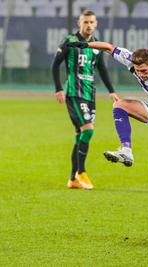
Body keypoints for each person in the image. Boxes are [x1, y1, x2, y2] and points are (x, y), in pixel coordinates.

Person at [52, 10, 119, 190]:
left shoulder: (96, 45)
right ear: (79, 24)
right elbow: (55, 64)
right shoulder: (70, 42)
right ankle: (81, 172)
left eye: (91, 22)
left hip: (90, 94)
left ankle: (72, 179)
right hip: (74, 92)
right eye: (85, 22)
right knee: (88, 130)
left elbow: (102, 69)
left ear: (96, 24)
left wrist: (111, 91)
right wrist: (59, 88)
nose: (88, 25)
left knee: (80, 135)